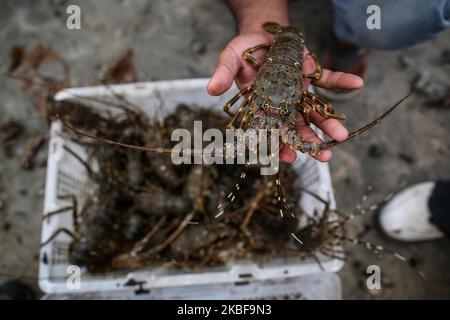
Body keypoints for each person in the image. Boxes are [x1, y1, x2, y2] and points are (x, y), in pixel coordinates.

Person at [207, 0, 450, 242]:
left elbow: (232, 107)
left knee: (387, 22)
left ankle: (349, 43)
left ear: (300, 99)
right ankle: (348, 42)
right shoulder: (286, 96)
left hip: (286, 56)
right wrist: (258, 21)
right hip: (280, 53)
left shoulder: (261, 102)